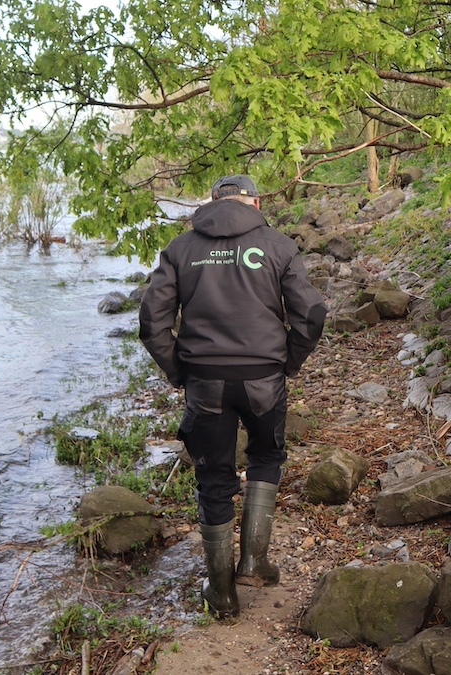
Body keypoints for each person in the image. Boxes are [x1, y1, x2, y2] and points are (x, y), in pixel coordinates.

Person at [139, 174, 327, 617]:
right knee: (265, 458)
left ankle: (222, 592)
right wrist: (288, 363)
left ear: (212, 200)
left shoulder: (182, 248)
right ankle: (255, 561)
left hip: (205, 381)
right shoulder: (278, 244)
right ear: (256, 202)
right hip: (263, 377)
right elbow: (312, 313)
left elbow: (152, 321)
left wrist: (178, 371)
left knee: (215, 479)